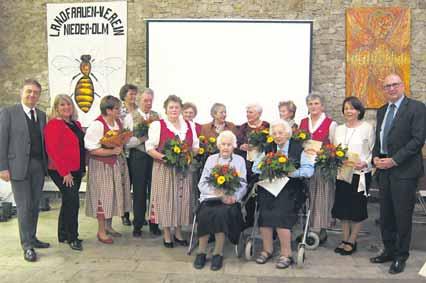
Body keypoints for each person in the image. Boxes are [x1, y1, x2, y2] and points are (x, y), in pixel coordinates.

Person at [370, 74, 426, 274]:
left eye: (395, 85)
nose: (391, 89)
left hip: (404, 170)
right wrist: (375, 158)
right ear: (384, 90)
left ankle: (401, 256)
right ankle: (389, 250)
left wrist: (394, 160)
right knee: (385, 215)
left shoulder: (417, 108)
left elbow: (418, 140)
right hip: (383, 170)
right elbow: (380, 138)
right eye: (387, 86)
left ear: (403, 86)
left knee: (402, 216)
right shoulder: (382, 110)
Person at [252, 120, 314, 269]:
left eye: (280, 133)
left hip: (292, 188)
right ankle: (267, 250)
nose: (277, 136)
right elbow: (255, 167)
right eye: (274, 133)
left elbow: (309, 170)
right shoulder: (268, 148)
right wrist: (267, 169)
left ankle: (286, 254)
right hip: (271, 186)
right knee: (264, 211)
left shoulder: (299, 148)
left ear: (287, 133)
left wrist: (292, 172)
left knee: (281, 212)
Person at [0, 79, 50, 262]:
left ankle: (33, 237)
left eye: (36, 92)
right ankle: (26, 245)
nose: (32, 95)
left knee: (35, 204)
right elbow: (1, 140)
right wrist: (2, 167)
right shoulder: (8, 112)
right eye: (29, 91)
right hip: (17, 166)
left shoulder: (42, 115)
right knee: (23, 206)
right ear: (21, 92)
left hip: (38, 166)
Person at [146, 95, 199, 248]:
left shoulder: (189, 125)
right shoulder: (158, 125)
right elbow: (150, 148)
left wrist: (187, 155)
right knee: (166, 200)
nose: (174, 110)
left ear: (181, 109)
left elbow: (195, 146)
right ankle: (167, 233)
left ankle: (178, 231)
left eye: (176, 107)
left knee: (182, 200)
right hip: (165, 168)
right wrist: (166, 158)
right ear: (166, 109)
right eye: (171, 107)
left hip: (184, 169)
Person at [193, 130, 247, 271]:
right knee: (204, 214)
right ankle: (201, 251)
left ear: (234, 146)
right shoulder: (211, 159)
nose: (225, 147)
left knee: (221, 215)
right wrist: (216, 192)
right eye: (223, 144)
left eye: (229, 144)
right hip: (211, 198)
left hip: (230, 200)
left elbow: (242, 184)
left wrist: (234, 197)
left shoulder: (239, 160)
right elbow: (202, 184)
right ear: (218, 145)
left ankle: (218, 252)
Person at [84, 95, 132, 244]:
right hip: (101, 166)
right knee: (102, 197)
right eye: (117, 108)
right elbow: (91, 149)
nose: (120, 111)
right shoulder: (97, 125)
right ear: (108, 110)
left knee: (112, 196)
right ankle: (101, 231)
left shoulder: (118, 122)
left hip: (115, 164)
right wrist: (112, 152)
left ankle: (109, 226)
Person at [331, 96, 375, 256]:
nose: (349, 111)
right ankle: (345, 238)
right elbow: (335, 149)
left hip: (360, 173)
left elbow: (372, 150)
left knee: (357, 208)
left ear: (359, 111)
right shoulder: (339, 129)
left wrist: (365, 162)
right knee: (343, 208)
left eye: (352, 108)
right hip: (343, 172)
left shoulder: (367, 128)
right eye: (346, 108)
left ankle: (352, 240)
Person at [44, 95, 85, 251]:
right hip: (61, 170)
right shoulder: (53, 125)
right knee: (73, 202)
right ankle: (72, 237)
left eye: (68, 104)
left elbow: (80, 146)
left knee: (68, 201)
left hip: (76, 169)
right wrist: (65, 173)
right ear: (56, 107)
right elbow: (53, 151)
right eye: (62, 105)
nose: (66, 107)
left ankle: (63, 234)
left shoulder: (76, 124)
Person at [299, 94, 337, 243]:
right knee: (306, 197)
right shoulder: (302, 122)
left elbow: (334, 147)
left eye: (316, 103)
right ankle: (306, 230)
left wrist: (322, 152)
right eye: (310, 104)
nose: (313, 106)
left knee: (321, 198)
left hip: (322, 167)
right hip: (305, 165)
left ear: (322, 106)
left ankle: (320, 230)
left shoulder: (330, 124)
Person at [124, 88, 161, 237]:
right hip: (138, 156)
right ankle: (138, 224)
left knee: (155, 191)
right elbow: (125, 141)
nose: (148, 103)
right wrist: (141, 139)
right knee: (139, 191)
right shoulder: (130, 117)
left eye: (150, 100)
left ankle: (154, 224)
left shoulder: (157, 116)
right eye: (145, 100)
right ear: (139, 101)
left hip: (154, 157)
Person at [236, 103, 269, 228]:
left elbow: (271, 143)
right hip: (247, 165)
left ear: (259, 113)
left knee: (263, 194)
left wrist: (259, 147)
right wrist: (242, 146)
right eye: (247, 112)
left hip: (262, 165)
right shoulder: (243, 127)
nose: (247, 114)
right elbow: (237, 143)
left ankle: (263, 223)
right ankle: (249, 220)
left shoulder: (266, 126)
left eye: (251, 112)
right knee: (249, 194)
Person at [118, 84, 138, 226]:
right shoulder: (119, 110)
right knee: (125, 185)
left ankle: (138, 215)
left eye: (135, 94)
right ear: (124, 95)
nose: (133, 97)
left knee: (137, 185)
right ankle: (124, 214)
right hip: (123, 153)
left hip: (137, 152)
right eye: (131, 94)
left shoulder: (138, 110)